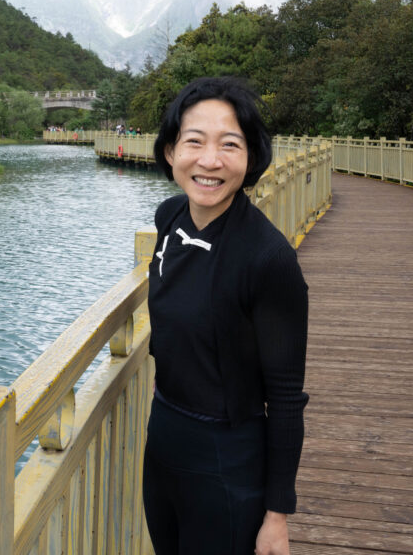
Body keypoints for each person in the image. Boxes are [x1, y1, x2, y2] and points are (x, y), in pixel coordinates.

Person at [142, 76, 309, 555]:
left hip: (227, 456)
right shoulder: (169, 218)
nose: (209, 160)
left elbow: (285, 396)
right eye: (194, 141)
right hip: (165, 438)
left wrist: (277, 515)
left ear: (251, 158)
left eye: (229, 145)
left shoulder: (268, 259)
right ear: (171, 151)